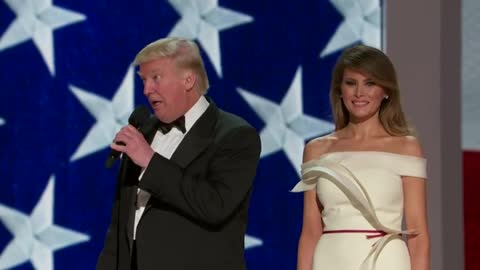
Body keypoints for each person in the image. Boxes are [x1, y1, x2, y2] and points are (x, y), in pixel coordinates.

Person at [96, 37, 261, 270]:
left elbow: (215, 206)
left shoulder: (235, 136)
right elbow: (119, 229)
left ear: (188, 79)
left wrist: (150, 161)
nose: (146, 90)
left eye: (156, 78)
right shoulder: (143, 133)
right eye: (143, 80)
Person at [293, 45, 430, 270]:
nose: (359, 93)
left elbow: (418, 235)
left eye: (370, 83)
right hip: (330, 260)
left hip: (386, 261)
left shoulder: (406, 147)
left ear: (386, 91)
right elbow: (310, 231)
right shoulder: (316, 150)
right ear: (340, 90)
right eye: (351, 83)